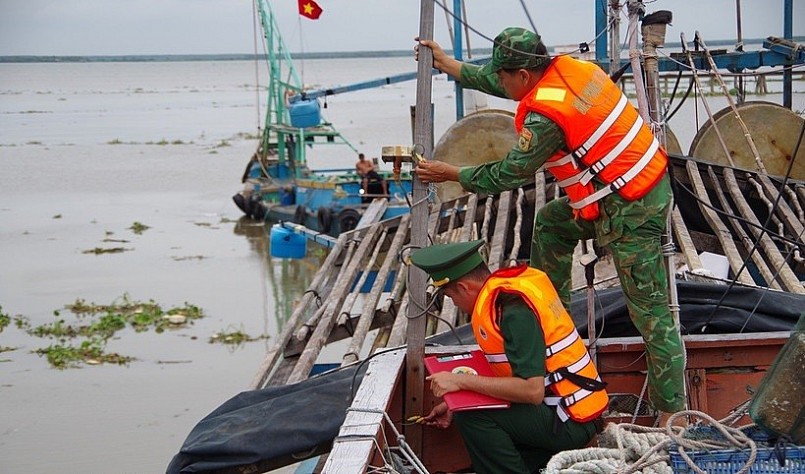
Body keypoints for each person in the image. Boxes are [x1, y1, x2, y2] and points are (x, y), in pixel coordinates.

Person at [414, 27, 686, 418]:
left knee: (651, 315)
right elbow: (497, 77)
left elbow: (509, 174)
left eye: (504, 76)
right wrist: (449, 65)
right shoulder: (570, 70)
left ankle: (671, 415)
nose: (501, 83)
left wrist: (451, 173)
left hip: (632, 208)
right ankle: (552, 318)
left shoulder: (545, 117)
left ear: (523, 75)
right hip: (620, 190)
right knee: (551, 222)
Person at [410, 239, 608, 474]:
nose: (457, 304)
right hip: (557, 408)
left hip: (571, 421)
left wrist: (460, 382)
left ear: (463, 287)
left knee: (473, 417)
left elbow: (532, 391)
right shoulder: (500, 300)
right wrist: (457, 401)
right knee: (473, 419)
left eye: (452, 297)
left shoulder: (514, 314)